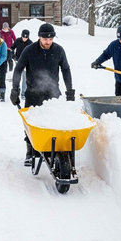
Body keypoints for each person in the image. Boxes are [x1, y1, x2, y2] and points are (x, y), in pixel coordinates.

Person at [10, 23, 75, 166]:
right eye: (45, 39)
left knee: (55, 123)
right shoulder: (29, 50)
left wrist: (69, 90)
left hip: (53, 94)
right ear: (39, 37)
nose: (48, 42)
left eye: (51, 39)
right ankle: (30, 151)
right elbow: (18, 69)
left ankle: (55, 149)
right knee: (31, 125)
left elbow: (66, 70)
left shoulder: (58, 50)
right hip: (33, 93)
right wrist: (15, 89)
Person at [91, 25, 121, 98]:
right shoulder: (114, 45)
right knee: (120, 103)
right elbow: (106, 54)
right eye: (120, 38)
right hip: (120, 80)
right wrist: (98, 62)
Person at [11, 29, 33, 99]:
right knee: (17, 78)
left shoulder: (30, 43)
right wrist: (13, 55)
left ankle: (23, 94)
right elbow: (12, 48)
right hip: (18, 61)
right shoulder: (17, 41)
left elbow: (33, 54)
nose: (24, 39)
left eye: (26, 38)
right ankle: (16, 92)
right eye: (23, 37)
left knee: (25, 79)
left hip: (26, 64)